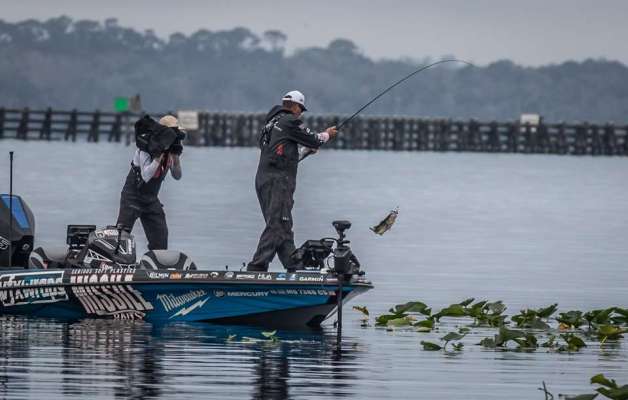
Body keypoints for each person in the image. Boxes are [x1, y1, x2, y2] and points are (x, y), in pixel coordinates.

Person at [247, 90, 337, 272]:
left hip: (263, 180)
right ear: (295, 107)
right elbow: (315, 140)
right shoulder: (290, 121)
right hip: (278, 182)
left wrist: (305, 152)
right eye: (301, 110)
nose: (300, 114)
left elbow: (280, 156)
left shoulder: (271, 124)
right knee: (277, 224)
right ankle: (256, 267)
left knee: (283, 225)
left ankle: (294, 265)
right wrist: (327, 134)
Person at [116, 115, 184, 250]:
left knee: (160, 240)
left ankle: (155, 261)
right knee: (121, 237)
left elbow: (177, 176)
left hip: (151, 199)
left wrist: (175, 160)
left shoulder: (171, 151)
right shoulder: (146, 147)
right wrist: (158, 159)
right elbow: (146, 175)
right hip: (132, 197)